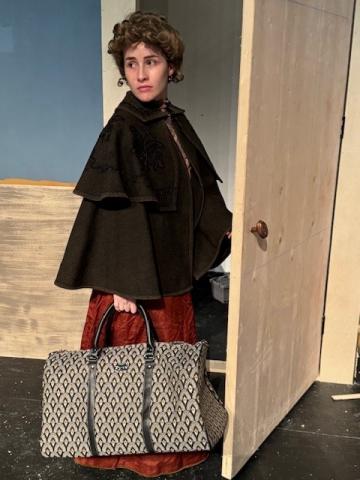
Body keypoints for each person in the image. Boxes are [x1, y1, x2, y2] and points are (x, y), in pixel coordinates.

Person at [54, 10, 232, 477]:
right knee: (134, 368)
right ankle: (134, 450)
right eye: (130, 63)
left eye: (150, 61)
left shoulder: (171, 119)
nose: (140, 73)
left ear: (171, 65)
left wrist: (225, 226)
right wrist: (121, 284)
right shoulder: (124, 128)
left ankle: (170, 437)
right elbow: (116, 213)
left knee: (168, 362)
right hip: (134, 279)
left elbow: (199, 187)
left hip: (165, 272)